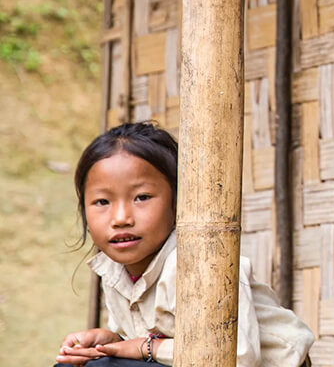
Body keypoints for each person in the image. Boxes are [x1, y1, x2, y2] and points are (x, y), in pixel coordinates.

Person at [55, 122, 314, 367]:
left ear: (179, 202)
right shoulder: (116, 269)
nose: (121, 218)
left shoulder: (201, 263)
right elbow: (142, 343)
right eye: (102, 202)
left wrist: (148, 348)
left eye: (142, 197)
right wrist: (111, 341)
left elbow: (236, 358)